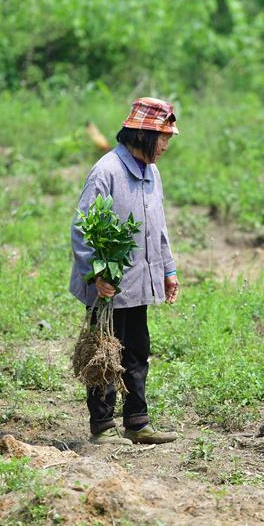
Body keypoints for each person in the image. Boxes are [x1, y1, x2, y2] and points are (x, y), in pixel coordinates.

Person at [69, 97, 181, 446]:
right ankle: (102, 427)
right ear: (143, 135)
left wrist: (168, 269)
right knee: (105, 352)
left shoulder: (151, 172)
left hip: (139, 281)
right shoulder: (107, 172)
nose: (165, 146)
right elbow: (82, 228)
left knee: (136, 350)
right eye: (163, 138)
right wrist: (97, 274)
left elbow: (158, 226)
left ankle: (137, 422)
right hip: (109, 285)